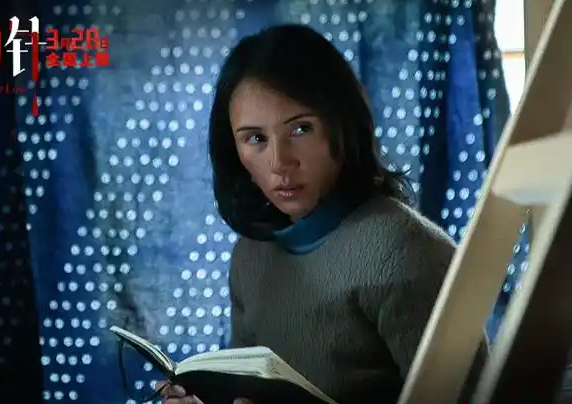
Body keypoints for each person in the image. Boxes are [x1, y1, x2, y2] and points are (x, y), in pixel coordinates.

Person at [157, 24, 488, 404]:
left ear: (343, 125)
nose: (279, 162)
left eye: (301, 129)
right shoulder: (251, 254)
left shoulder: (406, 251)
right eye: (256, 138)